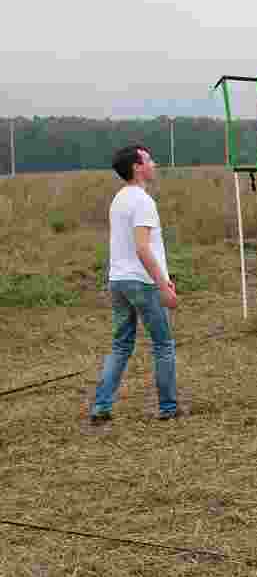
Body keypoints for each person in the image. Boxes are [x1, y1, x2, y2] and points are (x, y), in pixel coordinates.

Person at [88, 145, 179, 424]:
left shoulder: (119, 199)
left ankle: (101, 407)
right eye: (149, 160)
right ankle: (168, 408)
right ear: (137, 167)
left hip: (118, 281)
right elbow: (142, 247)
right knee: (163, 345)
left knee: (120, 346)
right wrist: (162, 283)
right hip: (142, 282)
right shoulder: (142, 201)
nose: (154, 164)